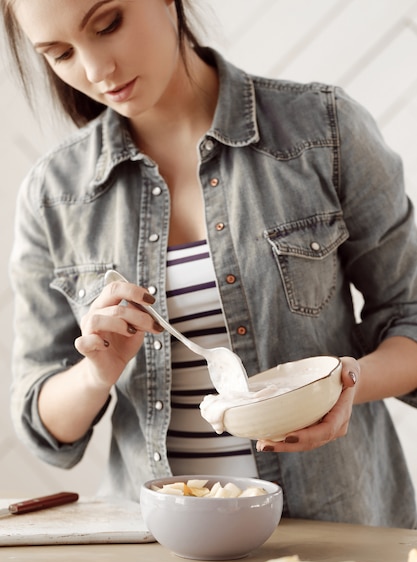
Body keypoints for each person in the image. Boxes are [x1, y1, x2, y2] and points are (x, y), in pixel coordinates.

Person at [4, 0, 417, 527]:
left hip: (333, 534)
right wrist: (98, 371)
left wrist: (346, 381)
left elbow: (410, 316)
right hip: (159, 552)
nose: (95, 71)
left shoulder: (323, 131)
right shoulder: (54, 194)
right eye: (60, 54)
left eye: (108, 24)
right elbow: (43, 427)